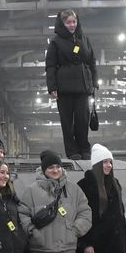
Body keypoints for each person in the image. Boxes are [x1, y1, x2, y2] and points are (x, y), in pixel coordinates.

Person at [45, 9, 97, 160]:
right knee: (67, 122)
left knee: (82, 119)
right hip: (64, 89)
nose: (72, 25)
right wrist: (52, 87)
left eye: (74, 21)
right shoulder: (55, 42)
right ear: (62, 23)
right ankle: (72, 151)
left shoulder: (84, 39)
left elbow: (92, 61)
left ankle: (84, 149)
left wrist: (94, 81)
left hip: (83, 87)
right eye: (68, 22)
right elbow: (50, 65)